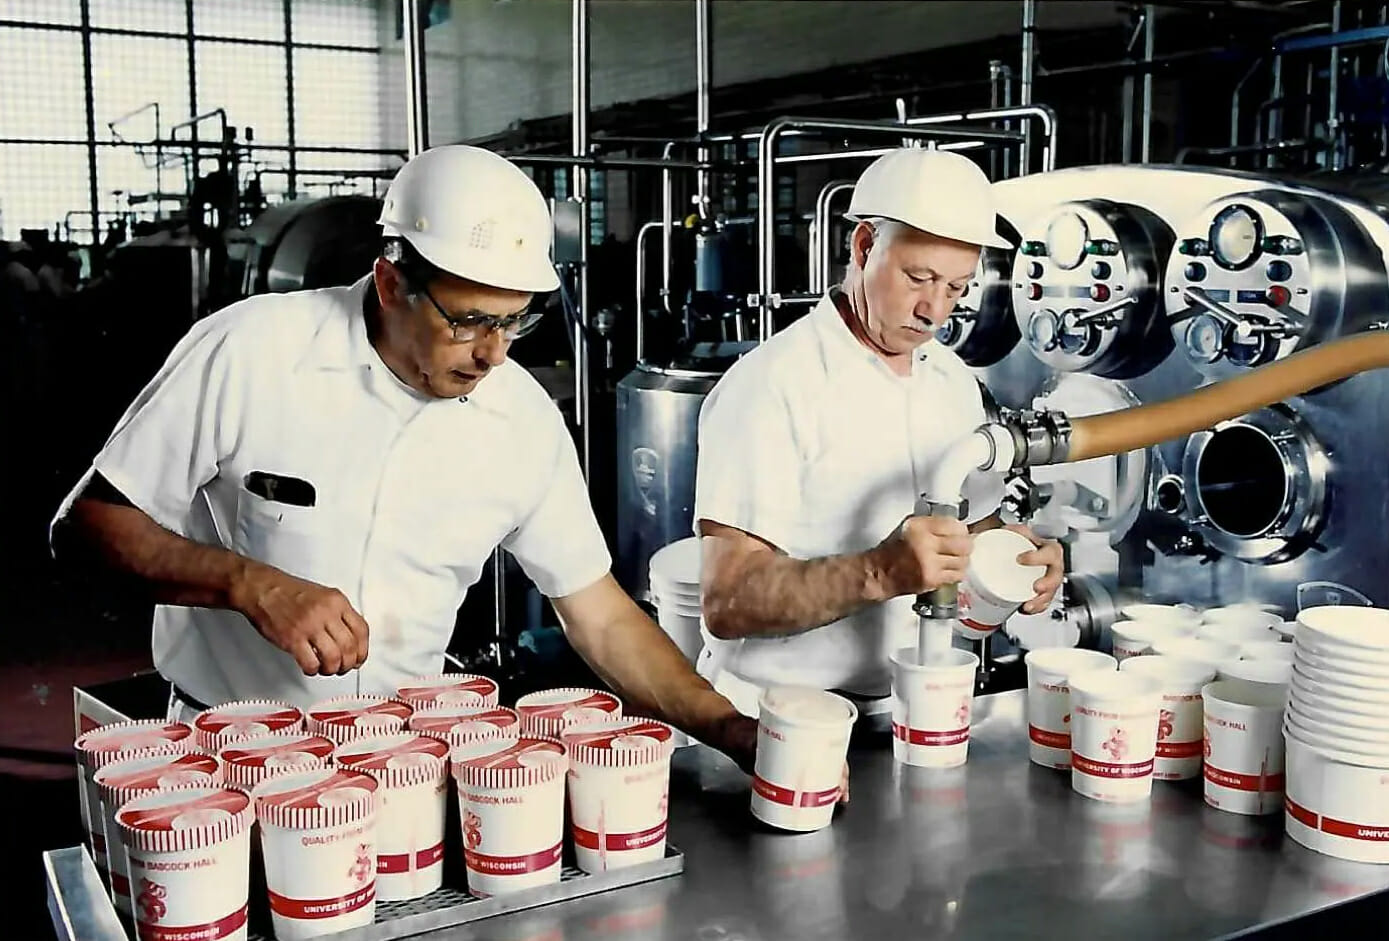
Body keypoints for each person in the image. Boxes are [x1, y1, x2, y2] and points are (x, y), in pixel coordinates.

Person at [51, 144, 757, 770]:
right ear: (391, 285)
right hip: (229, 755)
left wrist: (728, 726)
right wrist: (250, 584)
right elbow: (87, 527)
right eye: (469, 319)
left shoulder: (522, 419)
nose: (493, 352)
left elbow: (599, 614)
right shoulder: (249, 352)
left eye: (514, 320)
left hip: (404, 760)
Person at [693, 147, 1065, 718]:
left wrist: (1018, 560)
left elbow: (973, 530)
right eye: (920, 277)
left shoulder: (952, 381)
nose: (935, 310)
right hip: (775, 718)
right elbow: (729, 599)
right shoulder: (773, 385)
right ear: (864, 246)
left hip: (907, 707)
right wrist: (881, 572)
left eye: (958, 288)